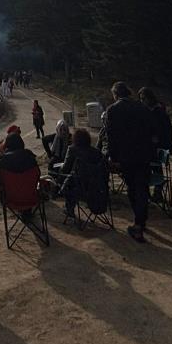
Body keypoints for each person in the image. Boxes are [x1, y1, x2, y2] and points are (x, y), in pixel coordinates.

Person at [103, 81, 155, 242]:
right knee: (142, 188)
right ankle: (141, 221)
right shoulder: (142, 108)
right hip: (144, 155)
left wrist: (113, 157)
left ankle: (139, 226)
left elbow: (111, 137)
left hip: (126, 157)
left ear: (116, 94)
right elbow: (151, 131)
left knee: (133, 189)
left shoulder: (113, 110)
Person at [58, 128, 106, 220]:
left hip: (80, 189)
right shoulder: (96, 152)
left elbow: (65, 169)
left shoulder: (72, 149)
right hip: (97, 188)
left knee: (68, 180)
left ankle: (69, 208)